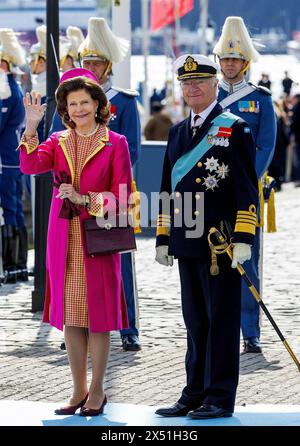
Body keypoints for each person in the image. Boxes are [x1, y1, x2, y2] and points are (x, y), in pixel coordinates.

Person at [19, 71, 132, 416]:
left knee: (98, 316)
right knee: (71, 316)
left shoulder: (116, 142)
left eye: (85, 101)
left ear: (99, 104)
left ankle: (97, 390)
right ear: (65, 109)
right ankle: (78, 389)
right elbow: (28, 165)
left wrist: (85, 199)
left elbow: (124, 198)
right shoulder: (56, 141)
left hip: (97, 240)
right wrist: (30, 126)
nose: (80, 108)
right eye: (73, 103)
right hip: (62, 239)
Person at [155, 54, 258, 419]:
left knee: (222, 321)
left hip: (221, 243)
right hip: (186, 239)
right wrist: (164, 238)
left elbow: (248, 188)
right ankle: (193, 392)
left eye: (199, 81)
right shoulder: (178, 131)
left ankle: (218, 395)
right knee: (195, 321)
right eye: (186, 83)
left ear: (215, 85)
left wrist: (245, 237)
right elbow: (168, 187)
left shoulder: (234, 128)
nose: (192, 87)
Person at [51, 17, 142, 352]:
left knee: (118, 259)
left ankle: (129, 325)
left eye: (96, 62)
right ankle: (76, 323)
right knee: (74, 267)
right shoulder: (69, 98)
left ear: (108, 64)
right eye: (86, 61)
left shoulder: (126, 101)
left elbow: (131, 149)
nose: (90, 67)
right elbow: (54, 143)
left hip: (111, 193)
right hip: (72, 199)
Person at [213, 16, 276, 353]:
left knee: (247, 259)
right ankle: (217, 326)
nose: (230, 64)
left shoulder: (261, 99)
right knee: (212, 260)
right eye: (225, 59)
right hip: (212, 189)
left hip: (245, 193)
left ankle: (250, 330)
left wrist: (245, 181)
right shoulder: (208, 96)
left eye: (236, 59)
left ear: (246, 62)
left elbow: (265, 146)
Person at [0, 28, 27, 283]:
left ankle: (11, 264)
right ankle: (15, 264)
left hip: (5, 159)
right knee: (14, 208)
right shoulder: (10, 88)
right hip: (10, 159)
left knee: (10, 209)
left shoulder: (5, 91)